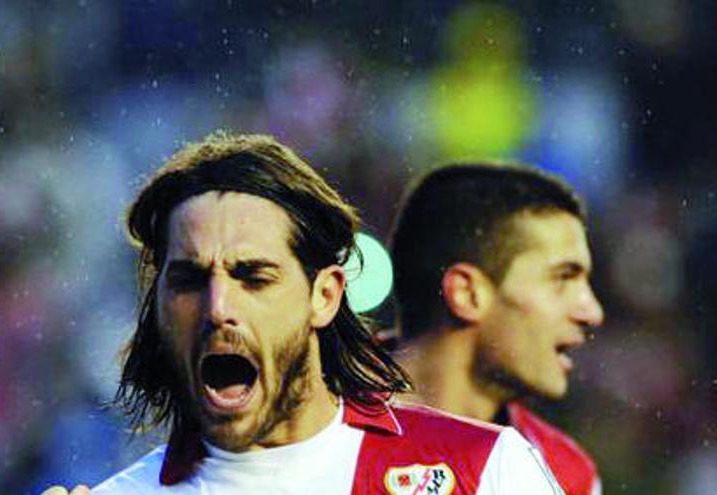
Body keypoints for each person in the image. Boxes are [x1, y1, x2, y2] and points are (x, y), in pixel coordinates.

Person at [45, 134, 565, 495]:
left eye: (254, 277)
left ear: (325, 296)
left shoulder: (479, 471)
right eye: (188, 281)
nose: (218, 308)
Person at [389, 163, 605, 495]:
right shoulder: (305, 421)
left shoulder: (565, 475)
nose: (592, 312)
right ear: (467, 293)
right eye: (563, 278)